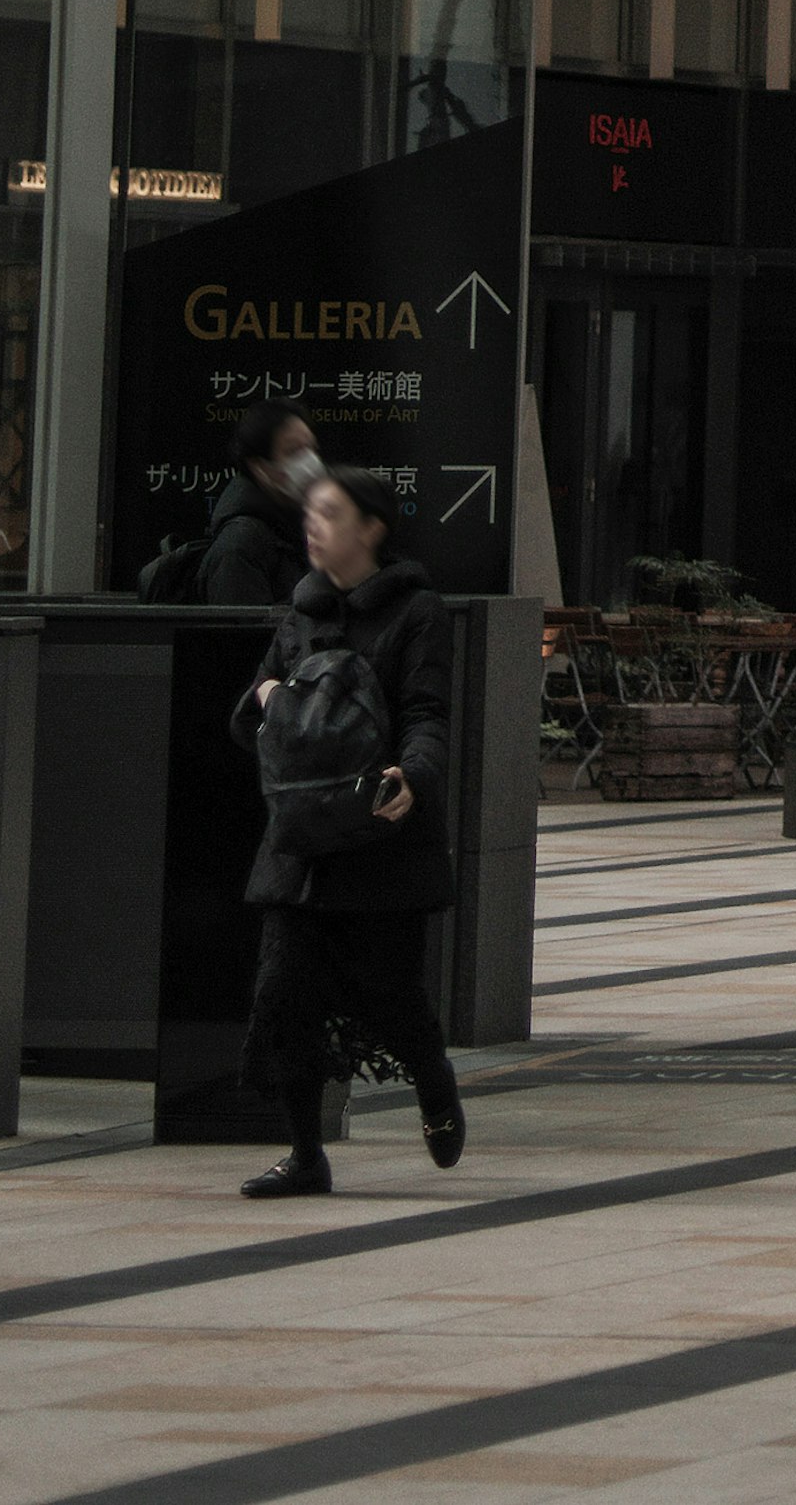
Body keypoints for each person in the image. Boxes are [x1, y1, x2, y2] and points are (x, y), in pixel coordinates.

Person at [230, 453, 469, 1194]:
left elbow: (427, 715)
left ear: (372, 528)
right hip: (303, 845)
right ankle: (306, 1155)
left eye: (329, 515)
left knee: (391, 997)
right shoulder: (300, 612)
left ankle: (433, 1083)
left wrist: (413, 778)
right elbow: (254, 711)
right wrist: (267, 698)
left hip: (377, 839)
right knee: (283, 995)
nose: (314, 527)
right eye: (309, 515)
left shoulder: (416, 612)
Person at [162, 395, 324, 608]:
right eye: (293, 452)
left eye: (310, 449)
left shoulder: (295, 530)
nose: (309, 463)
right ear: (260, 466)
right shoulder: (238, 548)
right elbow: (243, 636)